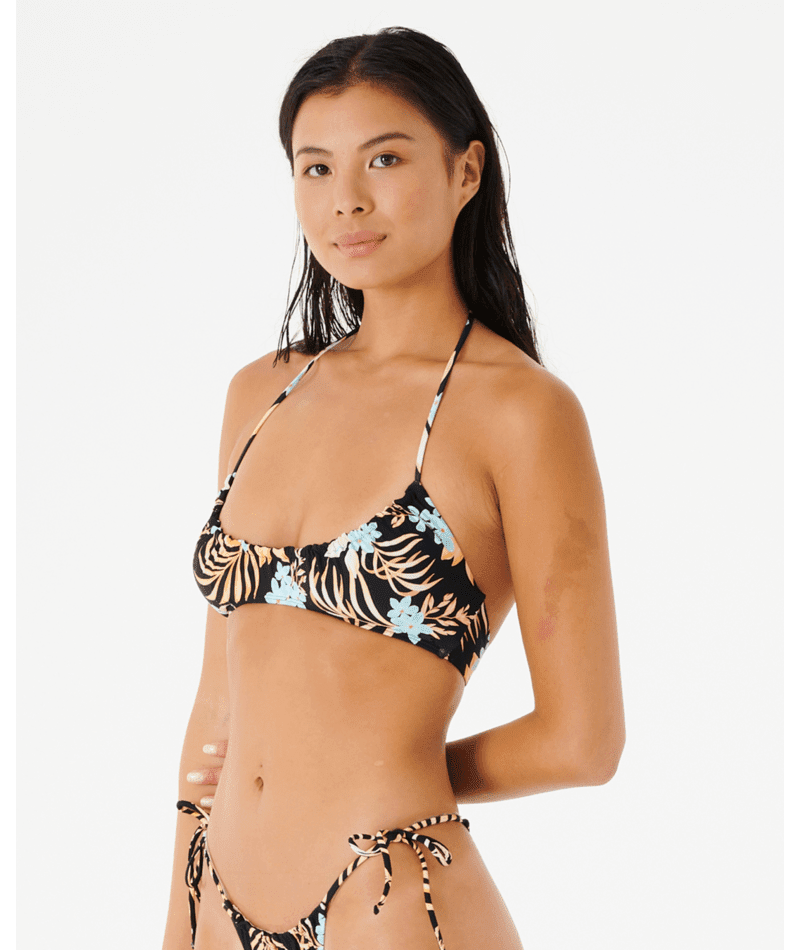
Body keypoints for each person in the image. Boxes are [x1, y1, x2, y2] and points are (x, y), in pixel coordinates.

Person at [162, 25, 625, 950]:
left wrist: (391, 771)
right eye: (316, 168)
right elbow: (216, 710)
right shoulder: (260, 395)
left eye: (384, 158)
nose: (348, 199)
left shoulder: (520, 412)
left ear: (466, 171)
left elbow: (583, 741)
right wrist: (179, 925)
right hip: (217, 900)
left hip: (393, 900)